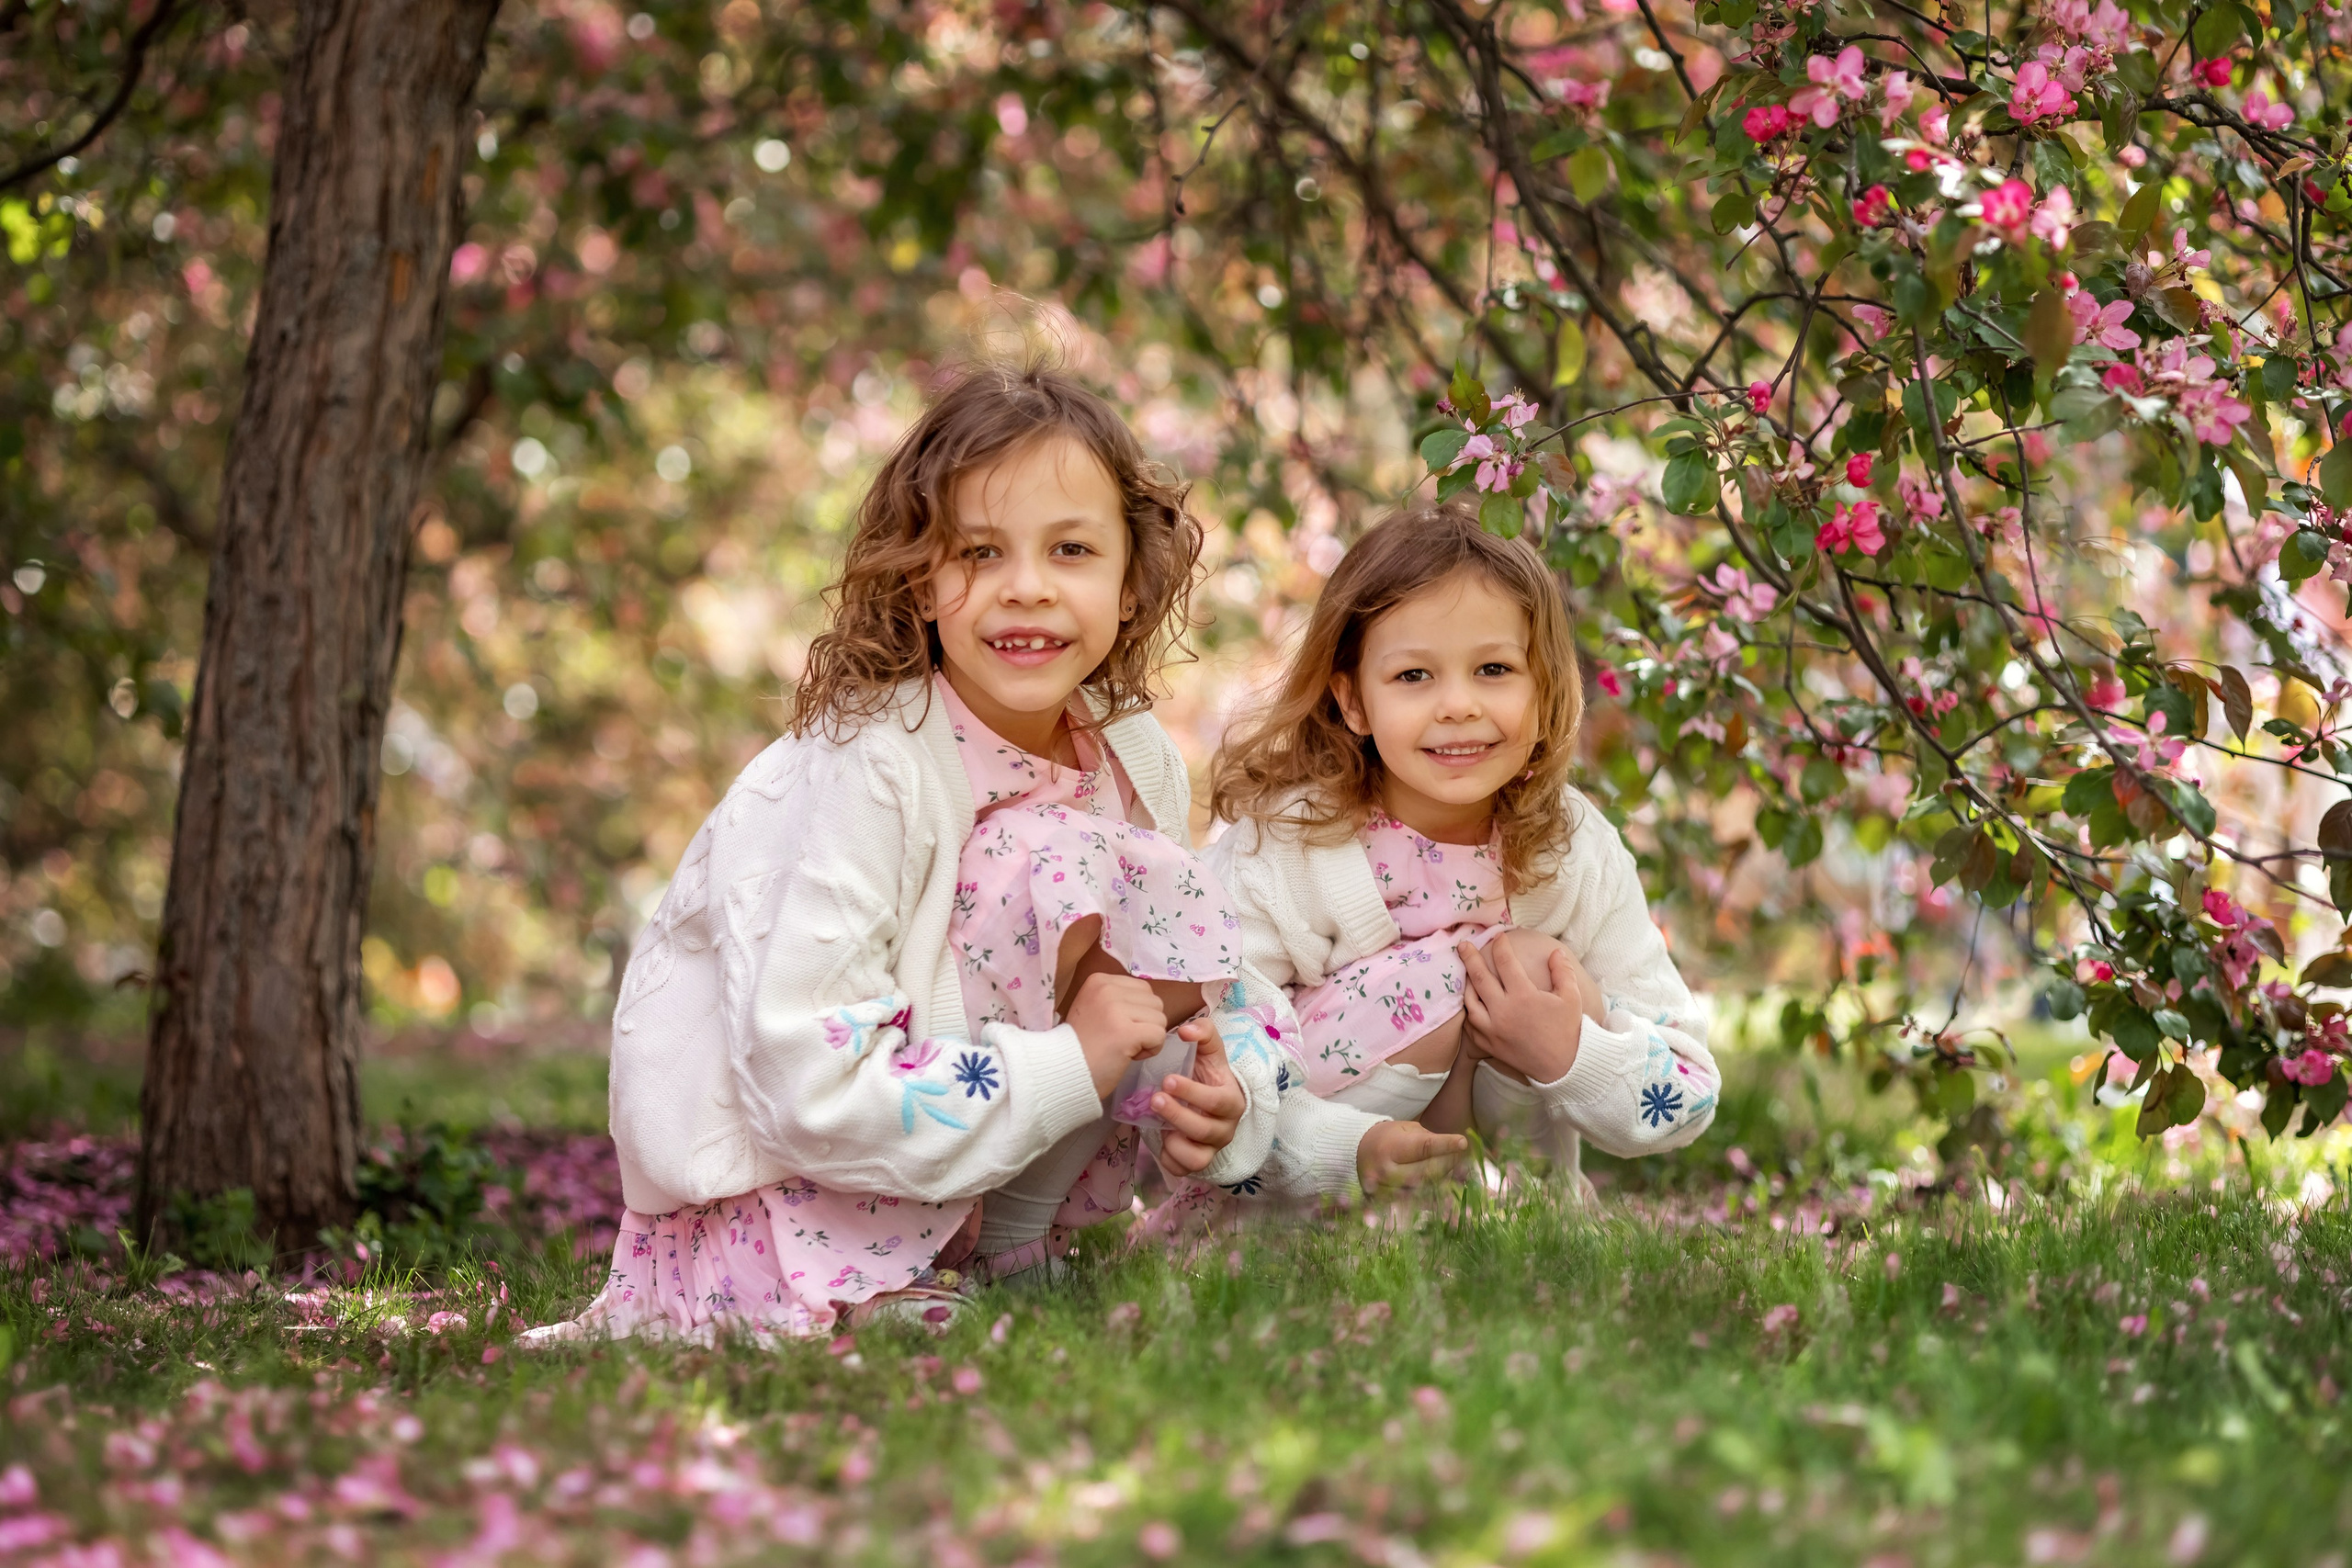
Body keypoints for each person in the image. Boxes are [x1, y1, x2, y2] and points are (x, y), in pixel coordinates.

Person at [529, 364, 1278, 1345]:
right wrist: (1070, 1061)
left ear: (1131, 585)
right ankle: (896, 1273)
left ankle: (1009, 1246)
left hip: (960, 1177)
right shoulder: (867, 767)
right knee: (1040, 856)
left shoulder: (1130, 755)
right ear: (922, 580)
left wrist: (1225, 1099)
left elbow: (1196, 982)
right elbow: (805, 1081)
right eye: (978, 551)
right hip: (781, 1208)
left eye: (1070, 549)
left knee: (1126, 894)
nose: (1026, 589)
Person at [1201, 499, 1717, 1204]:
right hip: (1310, 1182)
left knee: (1529, 966)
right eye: (1414, 676)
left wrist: (1572, 1054)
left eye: (1495, 669)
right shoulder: (1290, 843)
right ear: (1353, 701)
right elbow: (1217, 1060)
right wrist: (1349, 1149)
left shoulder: (1575, 849)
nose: (1458, 705)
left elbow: (1689, 1090)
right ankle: (1371, 1202)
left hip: (1497, 1217)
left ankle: (1517, 1216)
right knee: (1470, 966)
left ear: (1543, 689)